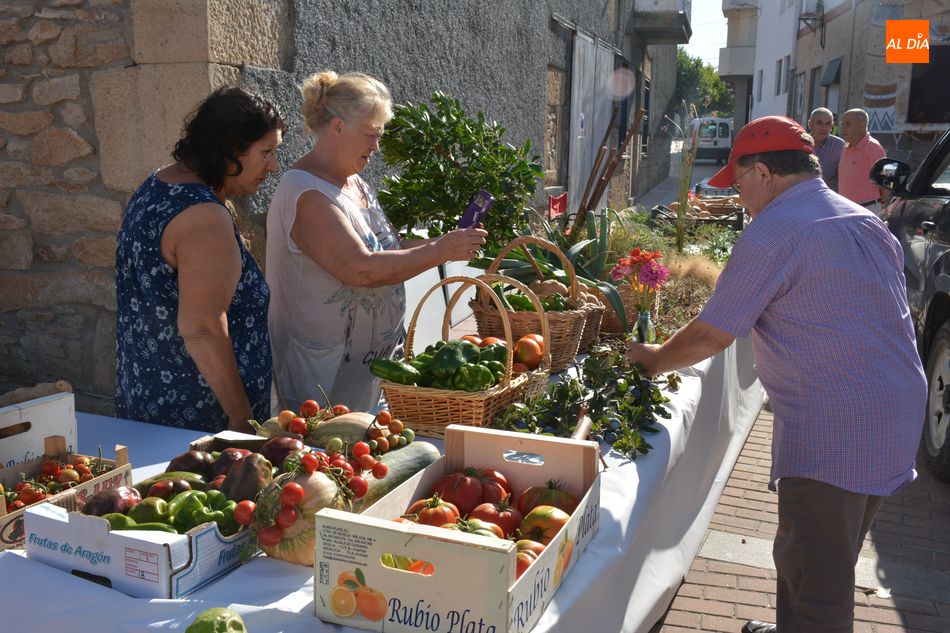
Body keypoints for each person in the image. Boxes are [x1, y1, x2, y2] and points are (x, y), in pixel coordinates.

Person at [626, 116, 926, 633]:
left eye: (739, 183)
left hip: (837, 424)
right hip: (896, 410)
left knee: (817, 587)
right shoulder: (861, 219)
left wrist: (652, 360)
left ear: (763, 173)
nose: (739, 197)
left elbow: (714, 333)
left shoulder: (774, 231)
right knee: (820, 552)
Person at [266, 71, 487, 414]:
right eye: (371, 135)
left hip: (363, 369)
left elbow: (388, 249)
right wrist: (441, 251)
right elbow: (361, 269)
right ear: (337, 128)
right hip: (322, 374)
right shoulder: (307, 193)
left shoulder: (353, 181)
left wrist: (447, 242)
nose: (376, 146)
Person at [115, 87, 284, 433]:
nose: (273, 166)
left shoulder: (157, 184)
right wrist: (242, 421)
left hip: (150, 402)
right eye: (266, 152)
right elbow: (203, 328)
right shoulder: (203, 215)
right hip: (201, 420)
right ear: (231, 149)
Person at [838, 108, 887, 213]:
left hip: (867, 208)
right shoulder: (846, 146)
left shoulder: (873, 147)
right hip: (845, 208)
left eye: (848, 124)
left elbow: (886, 181)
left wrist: (882, 204)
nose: (843, 128)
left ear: (862, 125)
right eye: (842, 124)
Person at [807, 107, 845, 192]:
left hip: (829, 199)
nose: (823, 128)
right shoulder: (799, 143)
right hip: (803, 197)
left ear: (832, 126)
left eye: (828, 123)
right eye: (819, 123)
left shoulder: (839, 146)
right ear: (810, 124)